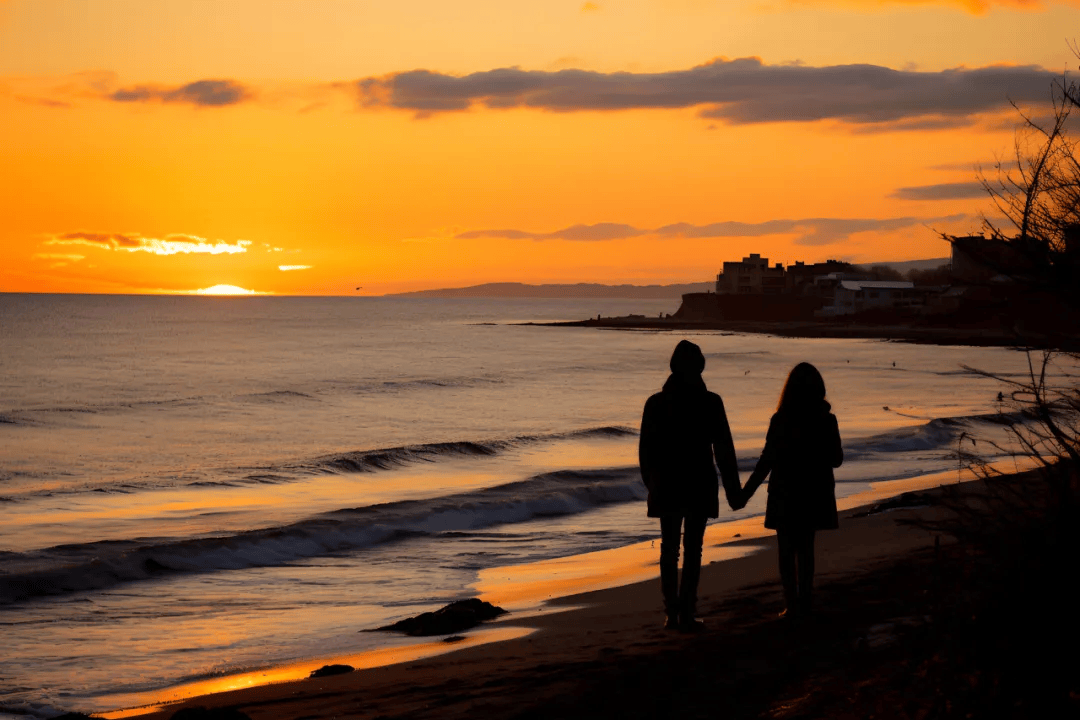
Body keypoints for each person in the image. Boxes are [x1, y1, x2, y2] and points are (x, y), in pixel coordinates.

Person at [639, 340, 742, 631]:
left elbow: (645, 452)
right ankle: (686, 612)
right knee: (692, 549)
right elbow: (724, 450)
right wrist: (734, 491)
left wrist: (652, 484)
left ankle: (672, 613)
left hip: (667, 483)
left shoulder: (656, 403)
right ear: (700, 367)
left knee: (669, 548)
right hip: (699, 482)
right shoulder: (710, 402)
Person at [742, 362, 842, 620]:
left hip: (785, 491)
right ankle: (805, 602)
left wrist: (746, 492)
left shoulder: (781, 419)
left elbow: (767, 460)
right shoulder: (827, 419)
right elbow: (836, 459)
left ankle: (791, 605)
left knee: (786, 550)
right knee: (806, 548)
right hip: (814, 491)